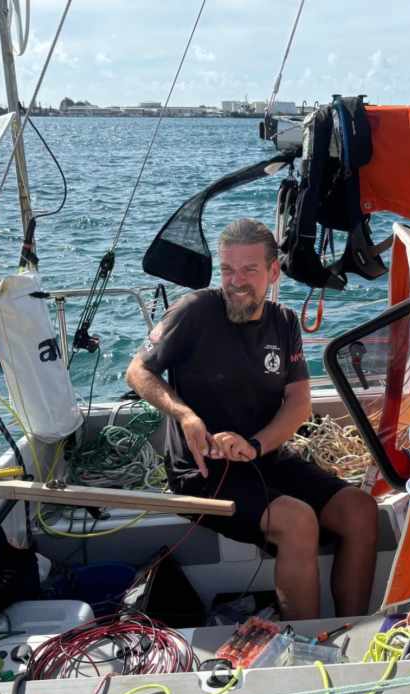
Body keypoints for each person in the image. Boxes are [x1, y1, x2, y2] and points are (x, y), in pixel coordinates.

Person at [126, 218, 378, 620]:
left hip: (264, 457)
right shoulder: (194, 311)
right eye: (228, 270)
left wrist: (257, 444)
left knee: (361, 509)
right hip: (203, 469)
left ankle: (353, 629)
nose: (235, 281)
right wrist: (186, 416)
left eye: (249, 270)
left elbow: (298, 405)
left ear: (273, 272)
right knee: (297, 521)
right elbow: (138, 371)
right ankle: (307, 645)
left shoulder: (284, 323)